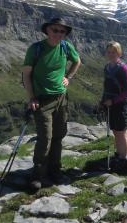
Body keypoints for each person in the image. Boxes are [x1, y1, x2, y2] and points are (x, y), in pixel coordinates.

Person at [22, 18, 81, 190]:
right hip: (42, 100)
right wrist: (32, 98)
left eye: (62, 32)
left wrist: (68, 77)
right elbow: (26, 75)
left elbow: (77, 61)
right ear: (47, 30)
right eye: (55, 30)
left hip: (61, 98)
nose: (58, 34)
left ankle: (55, 170)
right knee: (45, 138)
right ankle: (37, 175)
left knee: (59, 135)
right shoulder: (36, 49)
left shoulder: (65, 46)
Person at [100, 41, 127, 172]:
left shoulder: (123, 68)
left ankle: (123, 158)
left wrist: (113, 101)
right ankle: (118, 154)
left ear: (119, 53)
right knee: (115, 131)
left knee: (121, 131)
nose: (111, 54)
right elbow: (106, 86)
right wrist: (102, 101)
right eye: (109, 52)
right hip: (110, 103)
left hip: (121, 104)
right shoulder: (107, 67)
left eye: (114, 52)